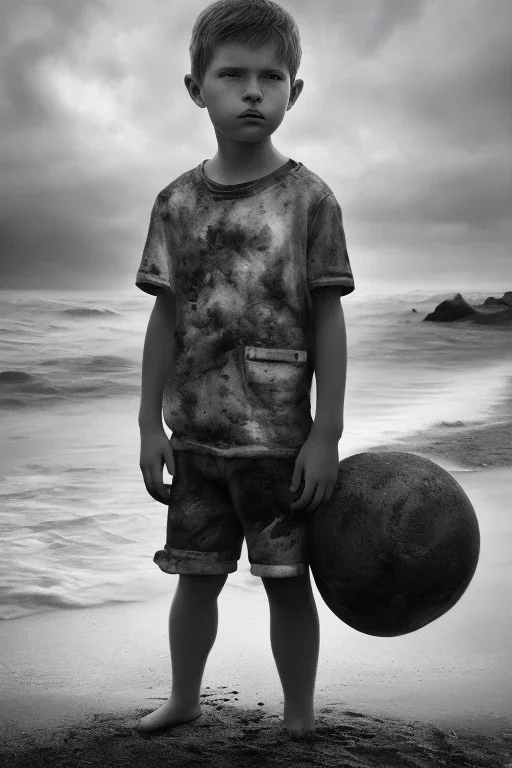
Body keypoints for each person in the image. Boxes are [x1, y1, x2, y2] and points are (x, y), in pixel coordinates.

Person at [135, 0, 355, 735]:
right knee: (193, 582)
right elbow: (165, 318)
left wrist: (326, 432)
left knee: (288, 587)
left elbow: (328, 317)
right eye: (232, 74)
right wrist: (147, 424)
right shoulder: (175, 203)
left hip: (280, 445)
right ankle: (185, 699)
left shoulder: (309, 201)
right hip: (195, 436)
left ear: (297, 90)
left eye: (272, 75)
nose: (253, 90)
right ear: (196, 87)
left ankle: (298, 716)